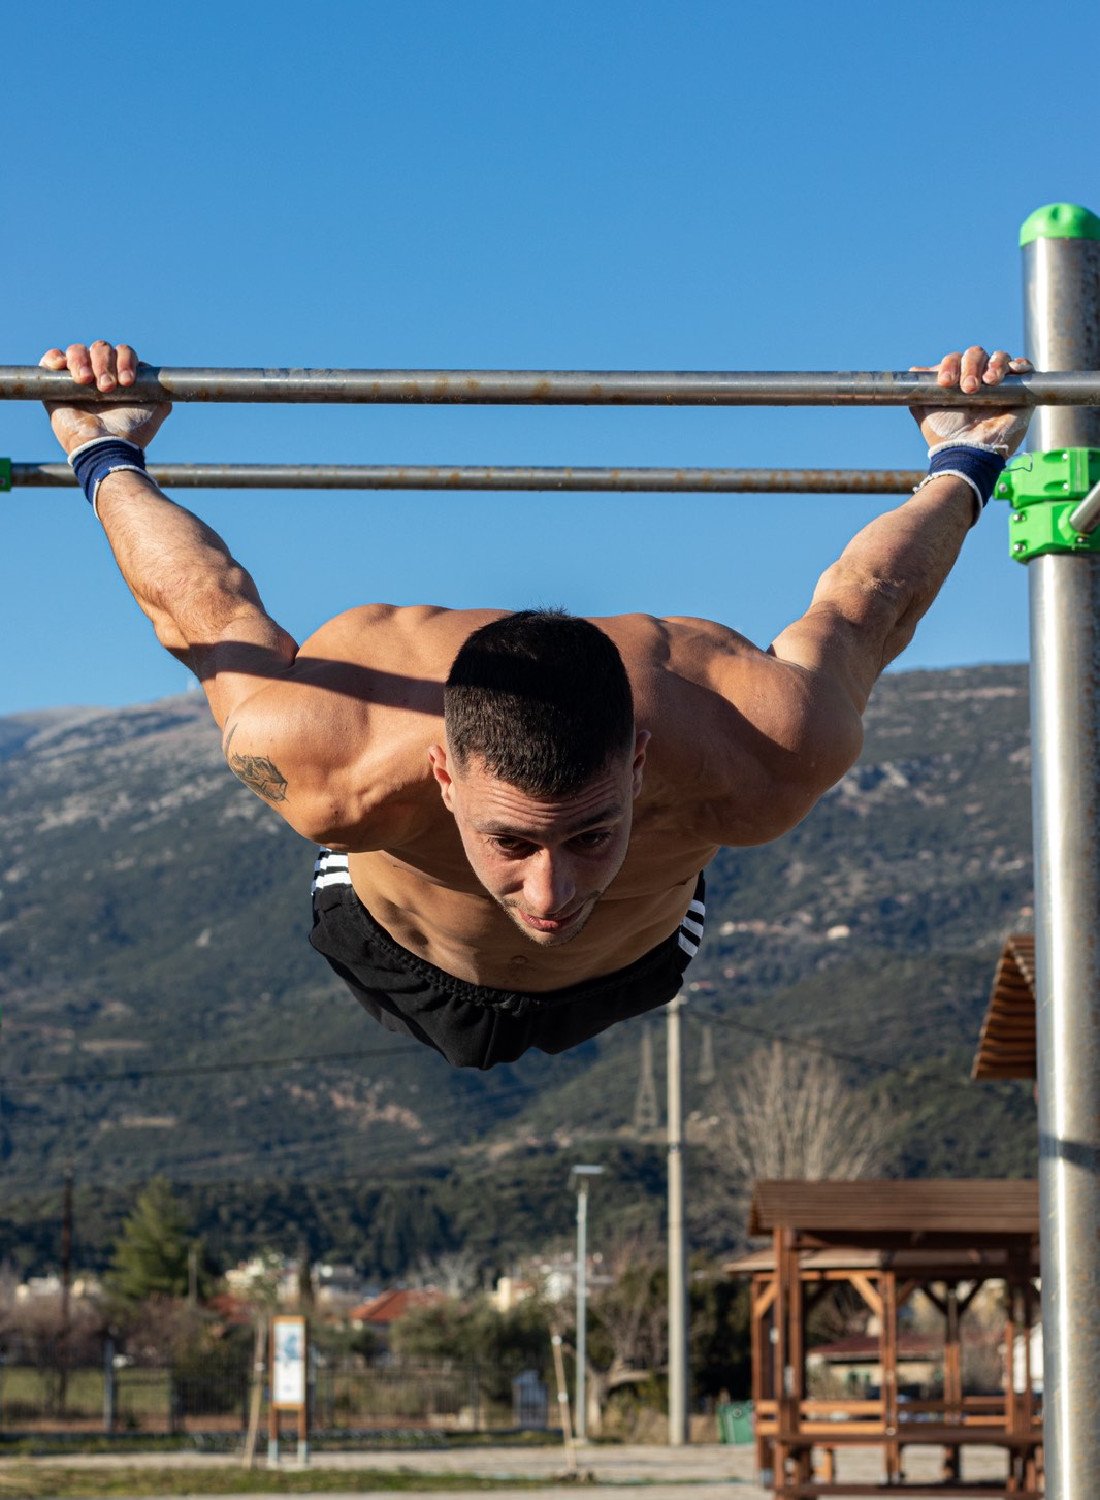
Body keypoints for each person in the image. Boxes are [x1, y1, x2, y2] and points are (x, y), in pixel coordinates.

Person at [40, 341, 1032, 1069]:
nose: (552, 896)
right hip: (395, 950)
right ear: (443, 771)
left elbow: (871, 608)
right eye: (512, 841)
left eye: (592, 834)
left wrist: (965, 457)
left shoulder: (757, 744)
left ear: (639, 761)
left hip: (631, 962)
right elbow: (200, 606)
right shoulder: (331, 759)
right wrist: (104, 451)